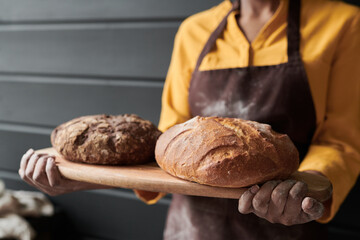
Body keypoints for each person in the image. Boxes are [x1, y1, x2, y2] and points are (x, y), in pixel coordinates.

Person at [19, 0, 359, 239]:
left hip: (289, 225)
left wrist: (302, 193)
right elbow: (165, 148)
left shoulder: (343, 23)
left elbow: (341, 141)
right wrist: (85, 180)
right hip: (192, 229)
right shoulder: (194, 30)